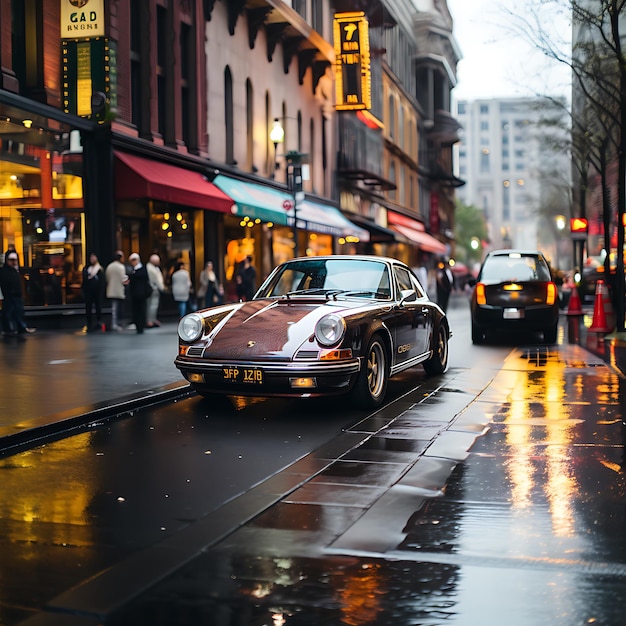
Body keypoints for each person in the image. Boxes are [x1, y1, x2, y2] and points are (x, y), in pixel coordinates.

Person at [0, 250, 35, 338]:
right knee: (9, 313)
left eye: (15, 260)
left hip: (16, 296)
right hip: (9, 296)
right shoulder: (5, 272)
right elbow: (5, 284)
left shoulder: (15, 271)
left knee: (18, 312)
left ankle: (19, 327)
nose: (14, 262)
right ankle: (9, 329)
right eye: (11, 260)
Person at [127, 253, 151, 334]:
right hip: (135, 293)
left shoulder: (141, 269)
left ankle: (141, 325)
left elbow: (140, 277)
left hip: (141, 293)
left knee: (141, 309)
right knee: (136, 309)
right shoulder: (133, 270)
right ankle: (137, 324)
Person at [81, 252, 105, 332]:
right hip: (89, 292)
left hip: (97, 292)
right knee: (88, 308)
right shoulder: (87, 269)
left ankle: (98, 322)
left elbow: (102, 282)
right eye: (91, 258)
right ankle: (89, 323)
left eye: (94, 258)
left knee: (98, 307)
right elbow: (84, 281)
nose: (92, 259)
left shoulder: (99, 269)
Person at [105, 251, 127, 331]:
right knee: (117, 309)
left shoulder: (109, 266)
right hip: (119, 290)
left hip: (110, 290)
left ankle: (113, 323)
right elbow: (123, 279)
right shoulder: (121, 267)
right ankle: (115, 324)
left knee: (113, 309)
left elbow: (107, 278)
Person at [146, 253, 165, 327]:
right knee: (152, 305)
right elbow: (157, 280)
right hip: (153, 289)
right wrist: (162, 288)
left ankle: (152, 319)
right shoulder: (152, 269)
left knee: (152, 305)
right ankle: (150, 320)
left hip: (152, 289)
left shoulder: (152, 267)